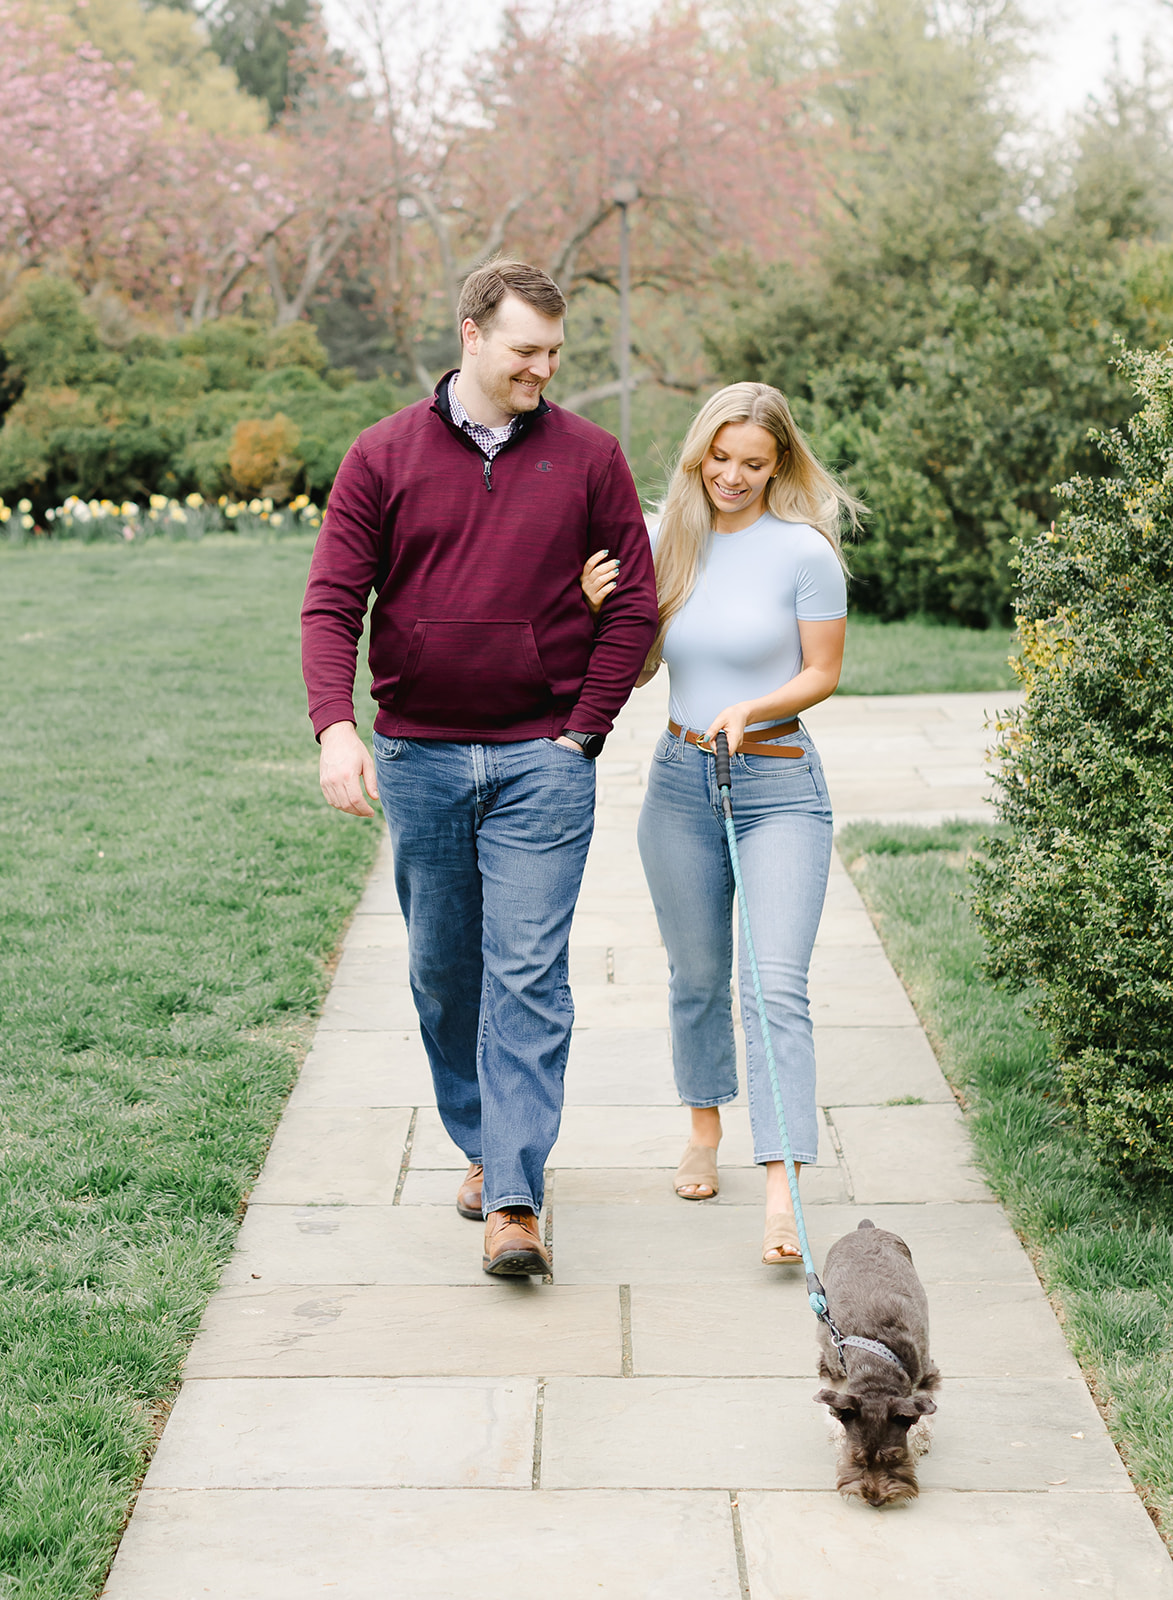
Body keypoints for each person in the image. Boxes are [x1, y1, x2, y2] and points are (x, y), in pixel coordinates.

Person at [302, 259, 658, 1278]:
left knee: (530, 974)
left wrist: (584, 731)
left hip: (542, 758)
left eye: (555, 353)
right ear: (470, 335)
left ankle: (514, 1195)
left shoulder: (589, 458)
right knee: (444, 973)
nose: (543, 370)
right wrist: (337, 725)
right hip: (418, 755)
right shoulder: (382, 457)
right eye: (525, 352)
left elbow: (632, 602)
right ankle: (480, 1139)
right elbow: (333, 601)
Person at [583, 381, 860, 1265]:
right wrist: (598, 616)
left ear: (779, 463)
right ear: (697, 452)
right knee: (696, 977)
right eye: (720, 459)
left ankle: (780, 1187)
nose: (732, 477)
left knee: (774, 986)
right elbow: (630, 675)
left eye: (754, 462)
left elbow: (822, 672)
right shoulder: (668, 540)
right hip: (677, 786)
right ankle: (702, 1127)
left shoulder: (803, 551)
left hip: (776, 782)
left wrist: (754, 706)